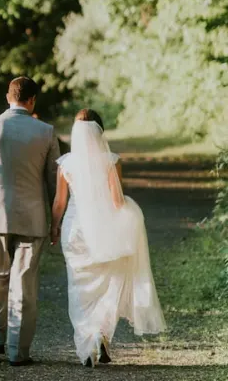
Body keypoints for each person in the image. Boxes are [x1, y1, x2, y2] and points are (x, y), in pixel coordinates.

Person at [50, 109, 166, 367]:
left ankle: (88, 340)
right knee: (107, 286)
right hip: (105, 230)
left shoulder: (66, 163)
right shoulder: (111, 161)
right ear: (100, 132)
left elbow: (60, 202)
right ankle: (101, 336)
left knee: (80, 289)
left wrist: (54, 228)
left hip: (75, 230)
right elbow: (116, 201)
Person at [0, 77, 60, 366]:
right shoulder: (46, 132)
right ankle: (18, 351)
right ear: (32, 101)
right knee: (24, 282)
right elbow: (54, 182)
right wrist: (55, 221)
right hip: (32, 217)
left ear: (8, 97)